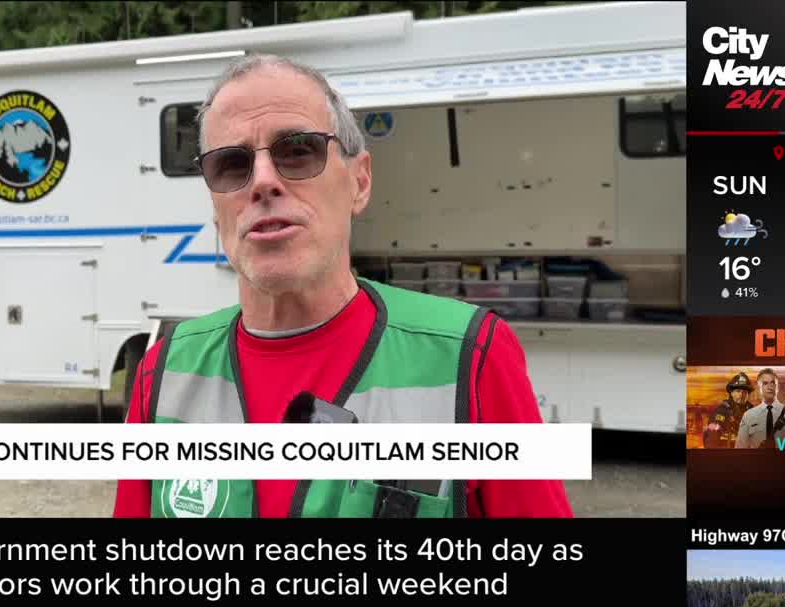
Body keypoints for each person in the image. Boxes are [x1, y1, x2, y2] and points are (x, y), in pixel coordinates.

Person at [112, 54, 572, 518]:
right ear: (216, 207)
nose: (263, 182)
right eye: (231, 164)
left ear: (360, 181)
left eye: (298, 151)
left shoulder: (470, 357)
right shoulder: (163, 373)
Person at [735, 369, 785, 449]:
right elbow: (740, 449)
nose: (770, 387)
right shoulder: (748, 416)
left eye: (773, 383)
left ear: (777, 387)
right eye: (765, 383)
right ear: (759, 388)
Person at [702, 372, 752, 448]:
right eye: (738, 391)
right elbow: (711, 437)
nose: (741, 395)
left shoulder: (754, 411)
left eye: (745, 392)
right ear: (731, 393)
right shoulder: (722, 411)